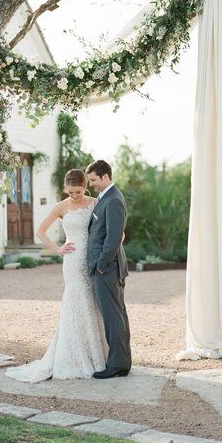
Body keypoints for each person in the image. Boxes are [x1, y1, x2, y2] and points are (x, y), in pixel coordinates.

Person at [4, 169, 107, 382]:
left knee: (92, 302)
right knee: (75, 301)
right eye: (70, 192)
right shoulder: (61, 207)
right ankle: (72, 355)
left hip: (91, 257)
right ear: (65, 189)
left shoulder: (95, 203)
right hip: (72, 260)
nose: (75, 196)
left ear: (85, 186)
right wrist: (58, 248)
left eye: (78, 191)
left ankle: (97, 355)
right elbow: (40, 231)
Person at [86, 159, 132, 379]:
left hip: (108, 268)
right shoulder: (106, 197)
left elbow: (113, 238)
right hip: (109, 267)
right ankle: (122, 363)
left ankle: (116, 365)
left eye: (94, 180)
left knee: (113, 317)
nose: (92, 184)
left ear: (105, 176)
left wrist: (101, 265)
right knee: (117, 315)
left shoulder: (113, 199)